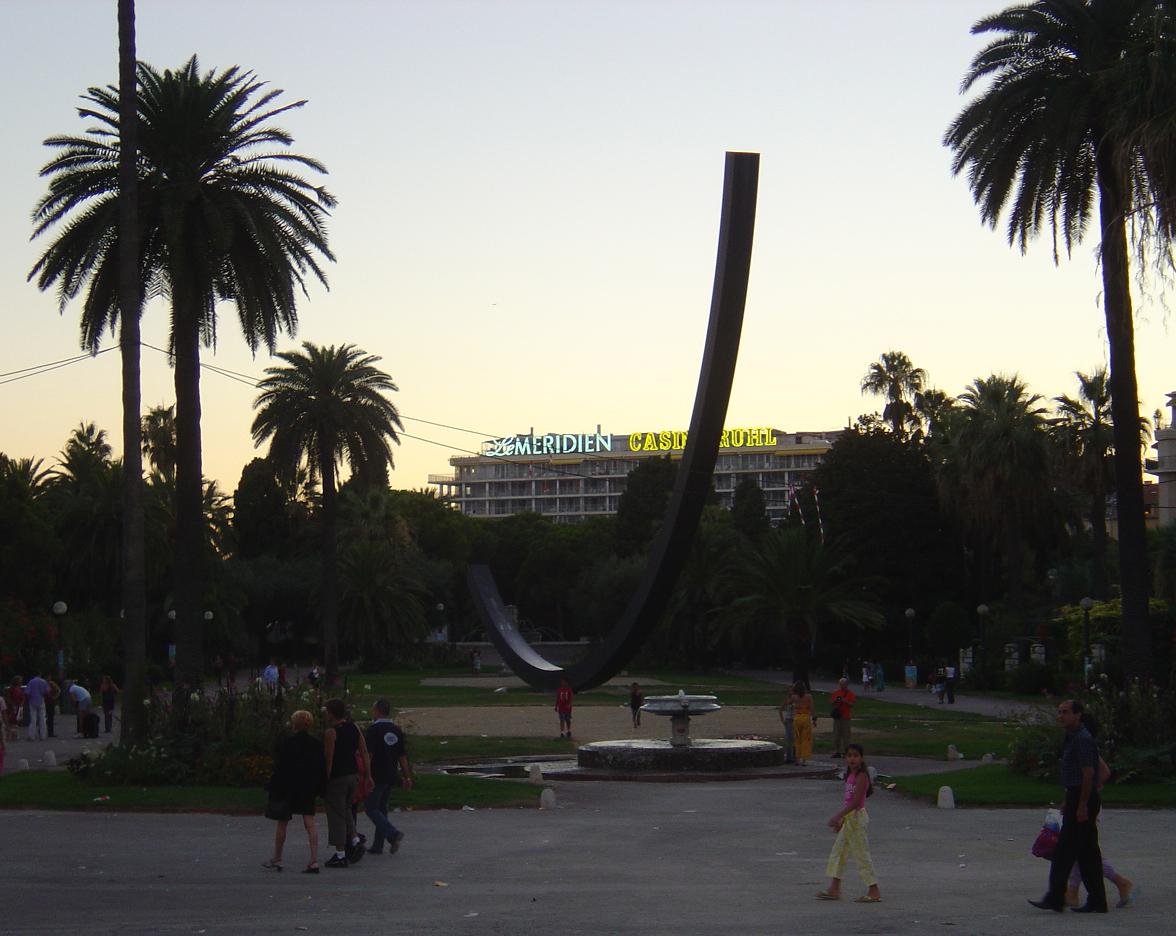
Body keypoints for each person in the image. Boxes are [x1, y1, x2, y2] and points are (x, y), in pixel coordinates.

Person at [1029, 699, 1108, 913]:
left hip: (1083, 797)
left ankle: (1055, 898)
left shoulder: (1082, 739)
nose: (1061, 716)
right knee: (1087, 852)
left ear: (1078, 715)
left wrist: (1081, 804)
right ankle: (1097, 900)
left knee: (1065, 850)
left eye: (1065, 712)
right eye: (1060, 712)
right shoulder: (1072, 737)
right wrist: (1069, 799)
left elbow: (1088, 773)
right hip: (1077, 795)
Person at [263, 709, 326, 874]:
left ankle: (277, 857)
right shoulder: (316, 744)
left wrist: (274, 786)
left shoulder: (287, 743)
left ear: (294, 724)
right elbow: (320, 767)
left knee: (282, 821)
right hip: (307, 787)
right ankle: (313, 860)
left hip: (288, 786)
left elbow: (280, 767)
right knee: (309, 822)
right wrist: (320, 787)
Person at [817, 743, 881, 902]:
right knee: (839, 852)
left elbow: (856, 802)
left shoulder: (862, 776)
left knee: (861, 853)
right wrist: (843, 820)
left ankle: (874, 890)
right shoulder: (850, 775)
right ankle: (834, 888)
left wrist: (838, 816)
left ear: (862, 758)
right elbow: (848, 802)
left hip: (857, 818)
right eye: (849, 756)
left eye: (856, 755)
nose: (852, 759)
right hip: (849, 818)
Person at [322, 698, 370, 868]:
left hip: (338, 777)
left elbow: (329, 759)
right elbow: (364, 751)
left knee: (336, 815)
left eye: (327, 712)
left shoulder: (331, 732)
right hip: (353, 775)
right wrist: (368, 775)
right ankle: (355, 839)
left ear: (332, 714)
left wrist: (325, 780)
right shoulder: (354, 727)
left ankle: (340, 853)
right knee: (347, 809)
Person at [364, 699, 413, 855]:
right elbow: (402, 756)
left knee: (371, 808)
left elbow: (369, 754)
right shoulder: (396, 730)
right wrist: (407, 776)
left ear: (377, 711)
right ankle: (378, 845)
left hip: (376, 774)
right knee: (382, 808)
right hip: (391, 774)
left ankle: (392, 833)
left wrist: (366, 774)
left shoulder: (373, 730)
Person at [830, 677, 857, 758]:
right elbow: (831, 703)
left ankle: (846, 752)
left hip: (846, 717)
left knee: (846, 735)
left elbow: (852, 704)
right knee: (836, 735)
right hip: (837, 717)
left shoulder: (850, 694)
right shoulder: (836, 693)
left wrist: (845, 701)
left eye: (843, 684)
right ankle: (837, 751)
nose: (842, 686)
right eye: (840, 684)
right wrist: (836, 701)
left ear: (847, 684)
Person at [790, 681, 814, 766]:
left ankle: (797, 759)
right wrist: (814, 718)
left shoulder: (794, 697)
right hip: (805, 718)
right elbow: (812, 708)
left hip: (797, 718)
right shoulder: (808, 697)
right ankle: (804, 759)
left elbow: (789, 703)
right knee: (805, 739)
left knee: (797, 739)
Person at [24, 671, 50, 742]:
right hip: (41, 700)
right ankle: (43, 736)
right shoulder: (43, 681)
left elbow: (27, 693)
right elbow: (47, 691)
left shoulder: (31, 682)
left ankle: (31, 736)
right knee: (42, 719)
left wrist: (28, 699)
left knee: (33, 719)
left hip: (32, 701)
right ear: (40, 674)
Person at [776, 693, 795, 764]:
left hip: (796, 720)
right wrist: (782, 720)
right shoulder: (788, 700)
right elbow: (781, 709)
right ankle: (789, 757)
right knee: (789, 739)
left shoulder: (798, 700)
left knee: (795, 739)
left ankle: (794, 756)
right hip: (789, 720)